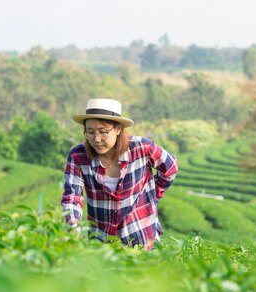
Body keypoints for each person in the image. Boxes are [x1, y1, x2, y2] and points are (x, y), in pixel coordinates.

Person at [61, 98, 178, 249]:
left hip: (142, 238)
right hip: (101, 243)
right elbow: (72, 198)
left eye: (103, 132)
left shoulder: (142, 148)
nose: (96, 139)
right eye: (90, 132)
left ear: (117, 129)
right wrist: (73, 228)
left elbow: (171, 168)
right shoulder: (78, 156)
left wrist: (152, 195)